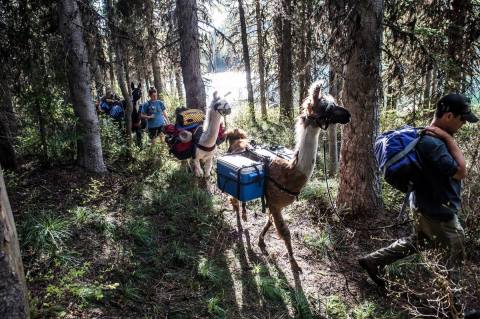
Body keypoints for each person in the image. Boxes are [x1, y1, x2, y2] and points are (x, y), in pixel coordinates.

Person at [359, 93, 478, 315]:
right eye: (462, 119)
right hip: (439, 214)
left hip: (422, 207)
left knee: (418, 242)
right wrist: (450, 139)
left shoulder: (424, 135)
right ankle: (455, 312)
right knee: (454, 259)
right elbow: (461, 172)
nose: (464, 123)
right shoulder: (434, 143)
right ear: (449, 116)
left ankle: (373, 261)